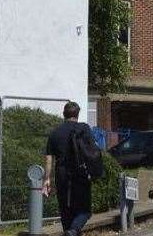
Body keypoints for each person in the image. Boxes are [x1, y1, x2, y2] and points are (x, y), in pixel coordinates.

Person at [43, 101, 94, 236]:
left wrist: (47, 179)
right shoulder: (84, 129)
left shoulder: (55, 133)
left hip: (62, 174)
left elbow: (49, 159)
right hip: (81, 173)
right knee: (84, 210)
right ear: (77, 114)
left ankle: (70, 231)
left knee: (66, 210)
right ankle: (73, 230)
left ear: (63, 114)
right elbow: (92, 152)